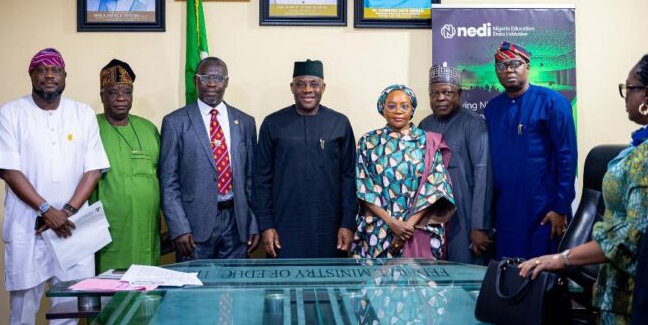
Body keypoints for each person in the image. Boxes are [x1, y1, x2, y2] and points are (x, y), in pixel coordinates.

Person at [520, 53, 648, 325]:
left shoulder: (647, 158)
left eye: (629, 88)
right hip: (614, 287)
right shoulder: (638, 148)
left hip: (635, 294)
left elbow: (630, 237)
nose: (625, 97)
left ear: (647, 95)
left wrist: (560, 259)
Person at [0, 48, 109, 325]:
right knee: (22, 316)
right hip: (27, 229)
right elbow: (8, 169)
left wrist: (65, 212)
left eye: (55, 70)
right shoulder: (10, 113)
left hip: (71, 228)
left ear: (65, 76)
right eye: (41, 70)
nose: (49, 75)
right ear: (31, 75)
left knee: (68, 313)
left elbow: (93, 169)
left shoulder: (82, 113)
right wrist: (46, 209)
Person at [484, 41, 577, 260]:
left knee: (544, 279)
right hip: (506, 210)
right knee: (509, 278)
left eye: (515, 64)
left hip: (545, 211)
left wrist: (560, 208)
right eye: (502, 66)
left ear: (528, 66)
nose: (508, 70)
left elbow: (567, 156)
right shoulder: (493, 109)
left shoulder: (553, 103)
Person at [254, 59, 356, 258]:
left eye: (314, 84)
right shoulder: (272, 123)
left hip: (330, 228)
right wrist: (266, 224)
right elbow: (261, 178)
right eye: (301, 84)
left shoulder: (339, 123)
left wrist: (348, 222)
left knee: (330, 286)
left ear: (323, 87)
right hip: (283, 228)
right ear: (292, 87)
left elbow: (349, 176)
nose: (308, 89)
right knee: (283, 286)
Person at [160, 57, 259, 260]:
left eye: (218, 78)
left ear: (226, 82)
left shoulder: (246, 123)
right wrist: (179, 227)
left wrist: (254, 222)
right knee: (194, 289)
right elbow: (168, 182)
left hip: (237, 223)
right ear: (196, 81)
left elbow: (252, 179)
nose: (212, 84)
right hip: (193, 227)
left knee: (235, 288)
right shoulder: (175, 122)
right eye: (205, 78)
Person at [352, 84, 455, 259]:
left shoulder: (427, 141)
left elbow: (436, 187)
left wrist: (407, 227)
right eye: (391, 106)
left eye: (404, 106)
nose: (398, 111)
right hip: (379, 230)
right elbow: (363, 188)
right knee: (378, 284)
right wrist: (392, 223)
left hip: (417, 229)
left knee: (417, 284)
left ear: (412, 109)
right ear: (382, 108)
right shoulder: (369, 142)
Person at [90, 59, 161, 273]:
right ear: (102, 96)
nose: (121, 98)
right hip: (105, 229)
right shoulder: (90, 127)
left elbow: (162, 176)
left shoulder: (148, 128)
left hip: (145, 228)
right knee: (106, 290)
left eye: (127, 92)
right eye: (112, 92)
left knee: (144, 288)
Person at [419, 63, 494, 264]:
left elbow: (483, 175)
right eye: (434, 93)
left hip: (464, 213)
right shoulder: (424, 125)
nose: (440, 98)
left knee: (464, 272)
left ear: (459, 94)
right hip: (432, 215)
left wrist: (478, 226)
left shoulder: (473, 123)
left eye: (447, 92)